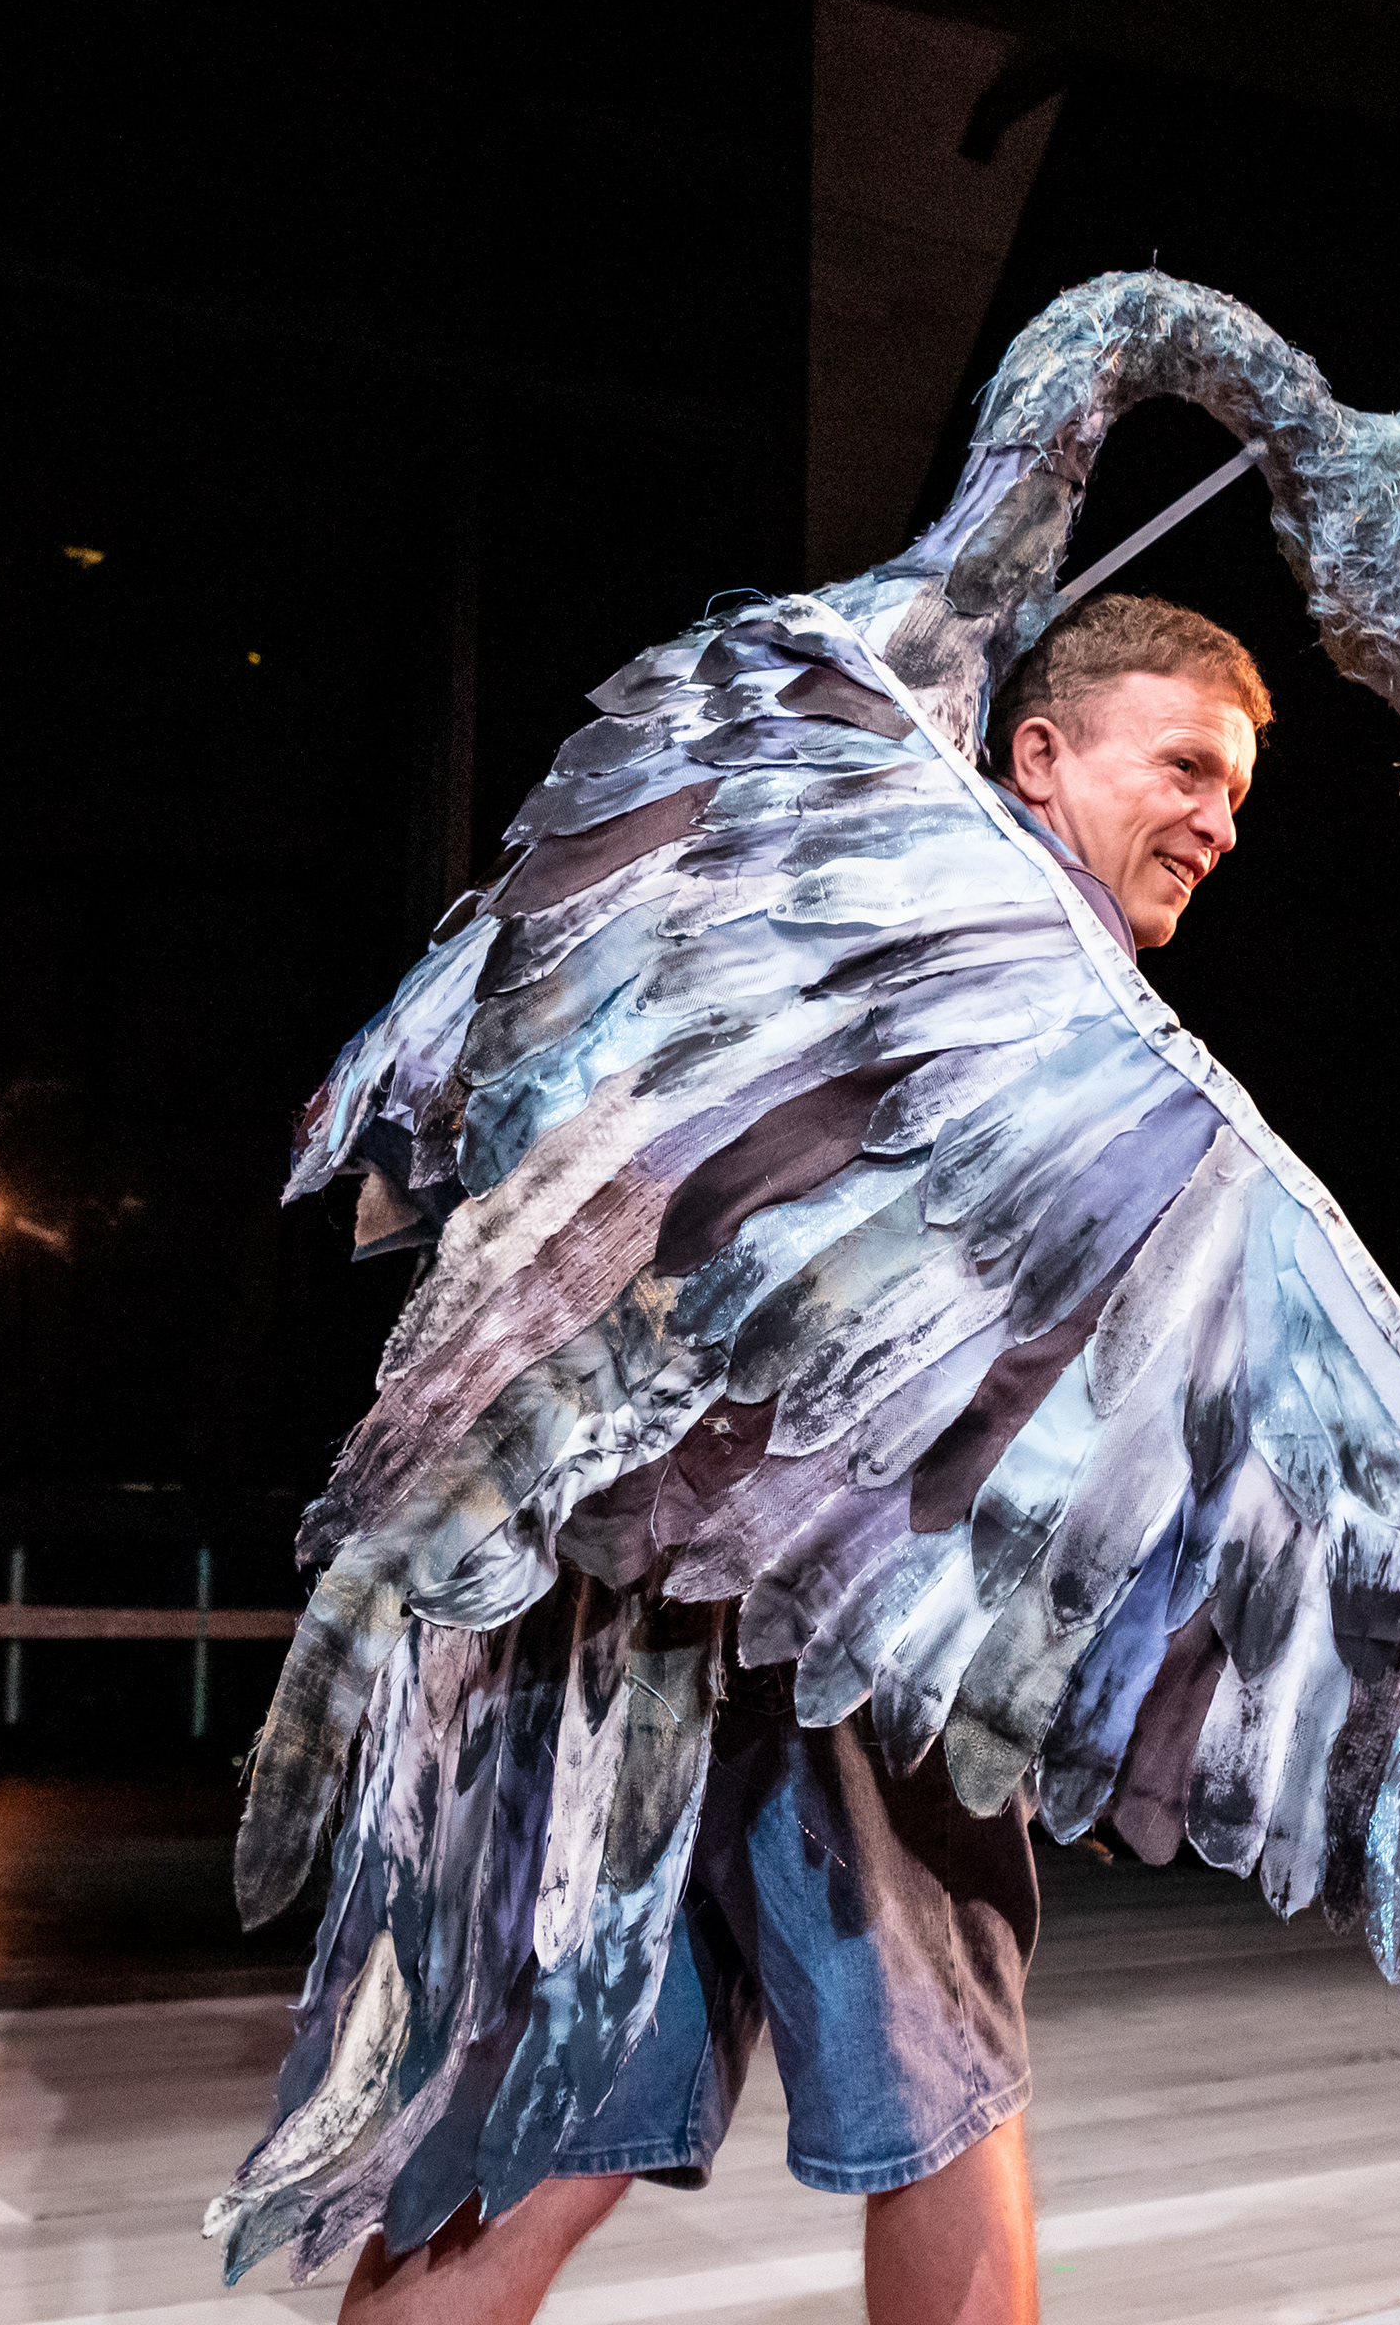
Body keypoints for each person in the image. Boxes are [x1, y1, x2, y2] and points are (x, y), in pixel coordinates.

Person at [332, 593, 1270, 2325]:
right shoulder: (1004, 965)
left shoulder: (821, 905)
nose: (1220, 819)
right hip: (839, 1608)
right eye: (1189, 767)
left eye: (1238, 790)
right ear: (1039, 758)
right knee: (940, 2086)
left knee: (557, 2128)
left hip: (630, 1607)